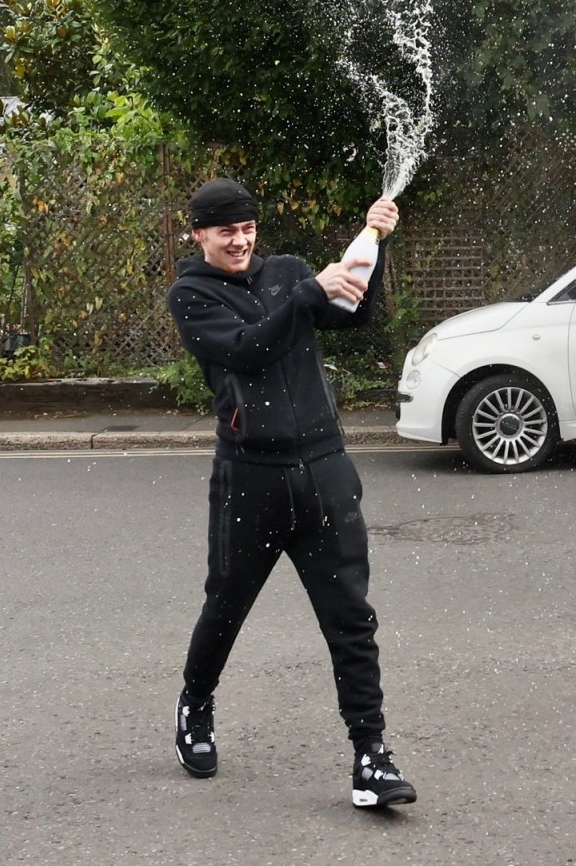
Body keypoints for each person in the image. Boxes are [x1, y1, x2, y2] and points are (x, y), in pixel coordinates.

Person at [166, 176, 417, 808]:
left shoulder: (286, 271)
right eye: (226, 230)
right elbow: (250, 350)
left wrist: (373, 243)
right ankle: (195, 704)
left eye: (248, 228)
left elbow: (350, 312)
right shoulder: (192, 295)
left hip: (325, 470)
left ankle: (371, 756)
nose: (241, 240)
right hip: (250, 478)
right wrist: (310, 291)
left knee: (351, 620)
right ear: (198, 233)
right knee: (226, 606)